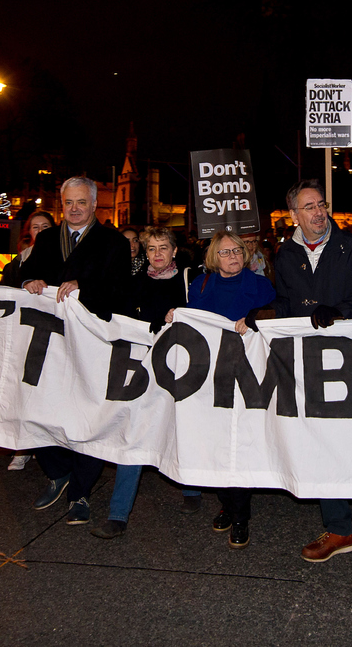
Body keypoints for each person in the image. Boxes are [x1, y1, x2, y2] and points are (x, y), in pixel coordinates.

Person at [268, 179, 352, 562]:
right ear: (294, 215)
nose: (319, 212)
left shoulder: (351, 247)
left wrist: (342, 310)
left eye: (321, 204)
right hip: (311, 360)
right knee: (321, 436)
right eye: (309, 207)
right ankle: (340, 529)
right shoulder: (285, 255)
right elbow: (286, 305)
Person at [18, 178, 132, 528]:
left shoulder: (113, 242)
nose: (75, 208)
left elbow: (120, 290)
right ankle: (58, 471)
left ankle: (79, 493)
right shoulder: (49, 238)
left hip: (90, 344)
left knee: (88, 418)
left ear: (95, 204)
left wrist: (85, 288)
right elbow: (23, 275)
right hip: (49, 343)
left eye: (82, 202)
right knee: (32, 407)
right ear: (61, 204)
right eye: (69, 203)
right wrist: (29, 282)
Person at [91, 227, 196, 539]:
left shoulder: (190, 282)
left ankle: (191, 487)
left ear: (175, 251)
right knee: (136, 433)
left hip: (181, 367)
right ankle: (118, 514)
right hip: (142, 368)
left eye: (164, 247)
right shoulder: (134, 283)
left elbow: (206, 314)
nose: (158, 254)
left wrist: (184, 313)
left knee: (180, 424)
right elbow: (115, 316)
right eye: (152, 249)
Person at [176, 231, 276, 549]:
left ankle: (240, 515)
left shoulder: (261, 286)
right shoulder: (201, 285)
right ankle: (226, 503)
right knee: (216, 443)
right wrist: (174, 315)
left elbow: (277, 319)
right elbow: (192, 322)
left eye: (237, 250)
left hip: (247, 377)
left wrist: (257, 317)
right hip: (210, 377)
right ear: (213, 257)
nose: (232, 256)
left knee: (239, 445)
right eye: (225, 252)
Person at [0, 210, 56, 471]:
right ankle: (22, 447)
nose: (41, 231)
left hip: (50, 334)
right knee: (21, 389)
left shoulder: (61, 257)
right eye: (36, 227)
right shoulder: (17, 262)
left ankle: (45, 445)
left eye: (46, 226)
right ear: (28, 232)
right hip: (22, 331)